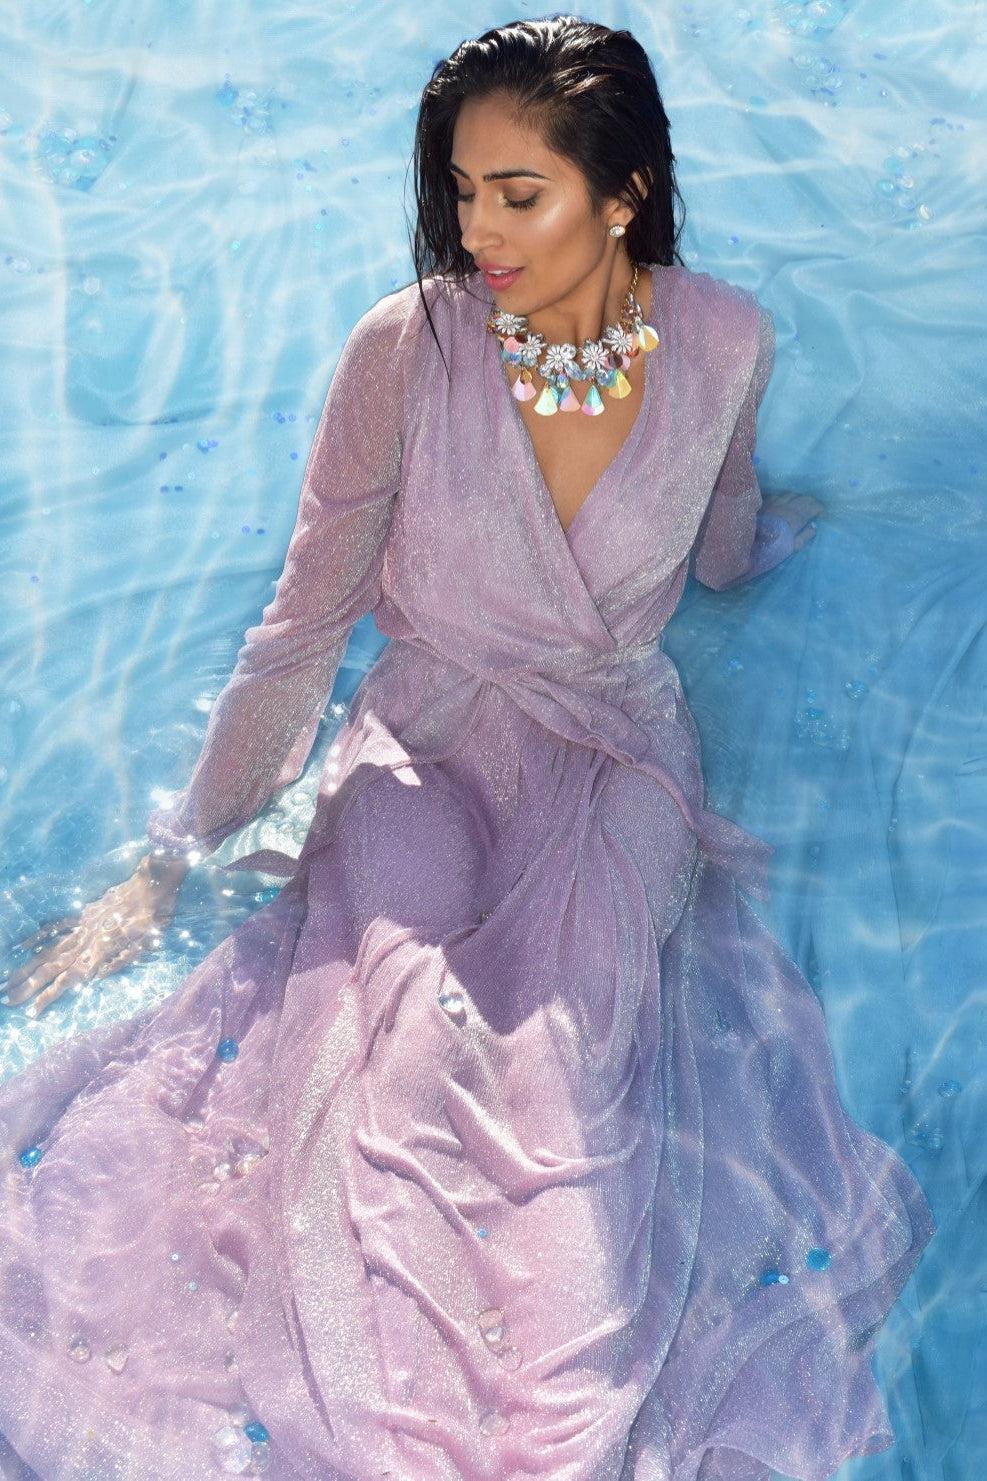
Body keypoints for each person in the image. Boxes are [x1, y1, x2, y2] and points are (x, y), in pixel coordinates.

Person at [0, 16, 935, 1481]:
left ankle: (558, 1427)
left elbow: (722, 538)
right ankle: (391, 1427)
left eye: (517, 192)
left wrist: (795, 548)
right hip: (421, 736)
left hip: (614, 747)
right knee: (391, 1007)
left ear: (623, 193)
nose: (475, 229)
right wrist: (171, 862)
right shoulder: (408, 346)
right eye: (460, 190)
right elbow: (307, 621)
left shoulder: (724, 341)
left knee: (576, 1037)